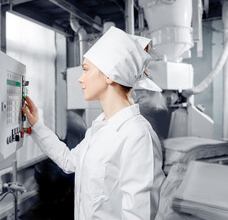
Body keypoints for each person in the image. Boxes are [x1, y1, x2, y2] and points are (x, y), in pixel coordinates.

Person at [22, 26, 165, 220]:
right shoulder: (100, 128)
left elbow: (139, 216)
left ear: (109, 76)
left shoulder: (137, 136)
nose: (81, 79)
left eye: (86, 70)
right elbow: (69, 161)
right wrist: (37, 126)